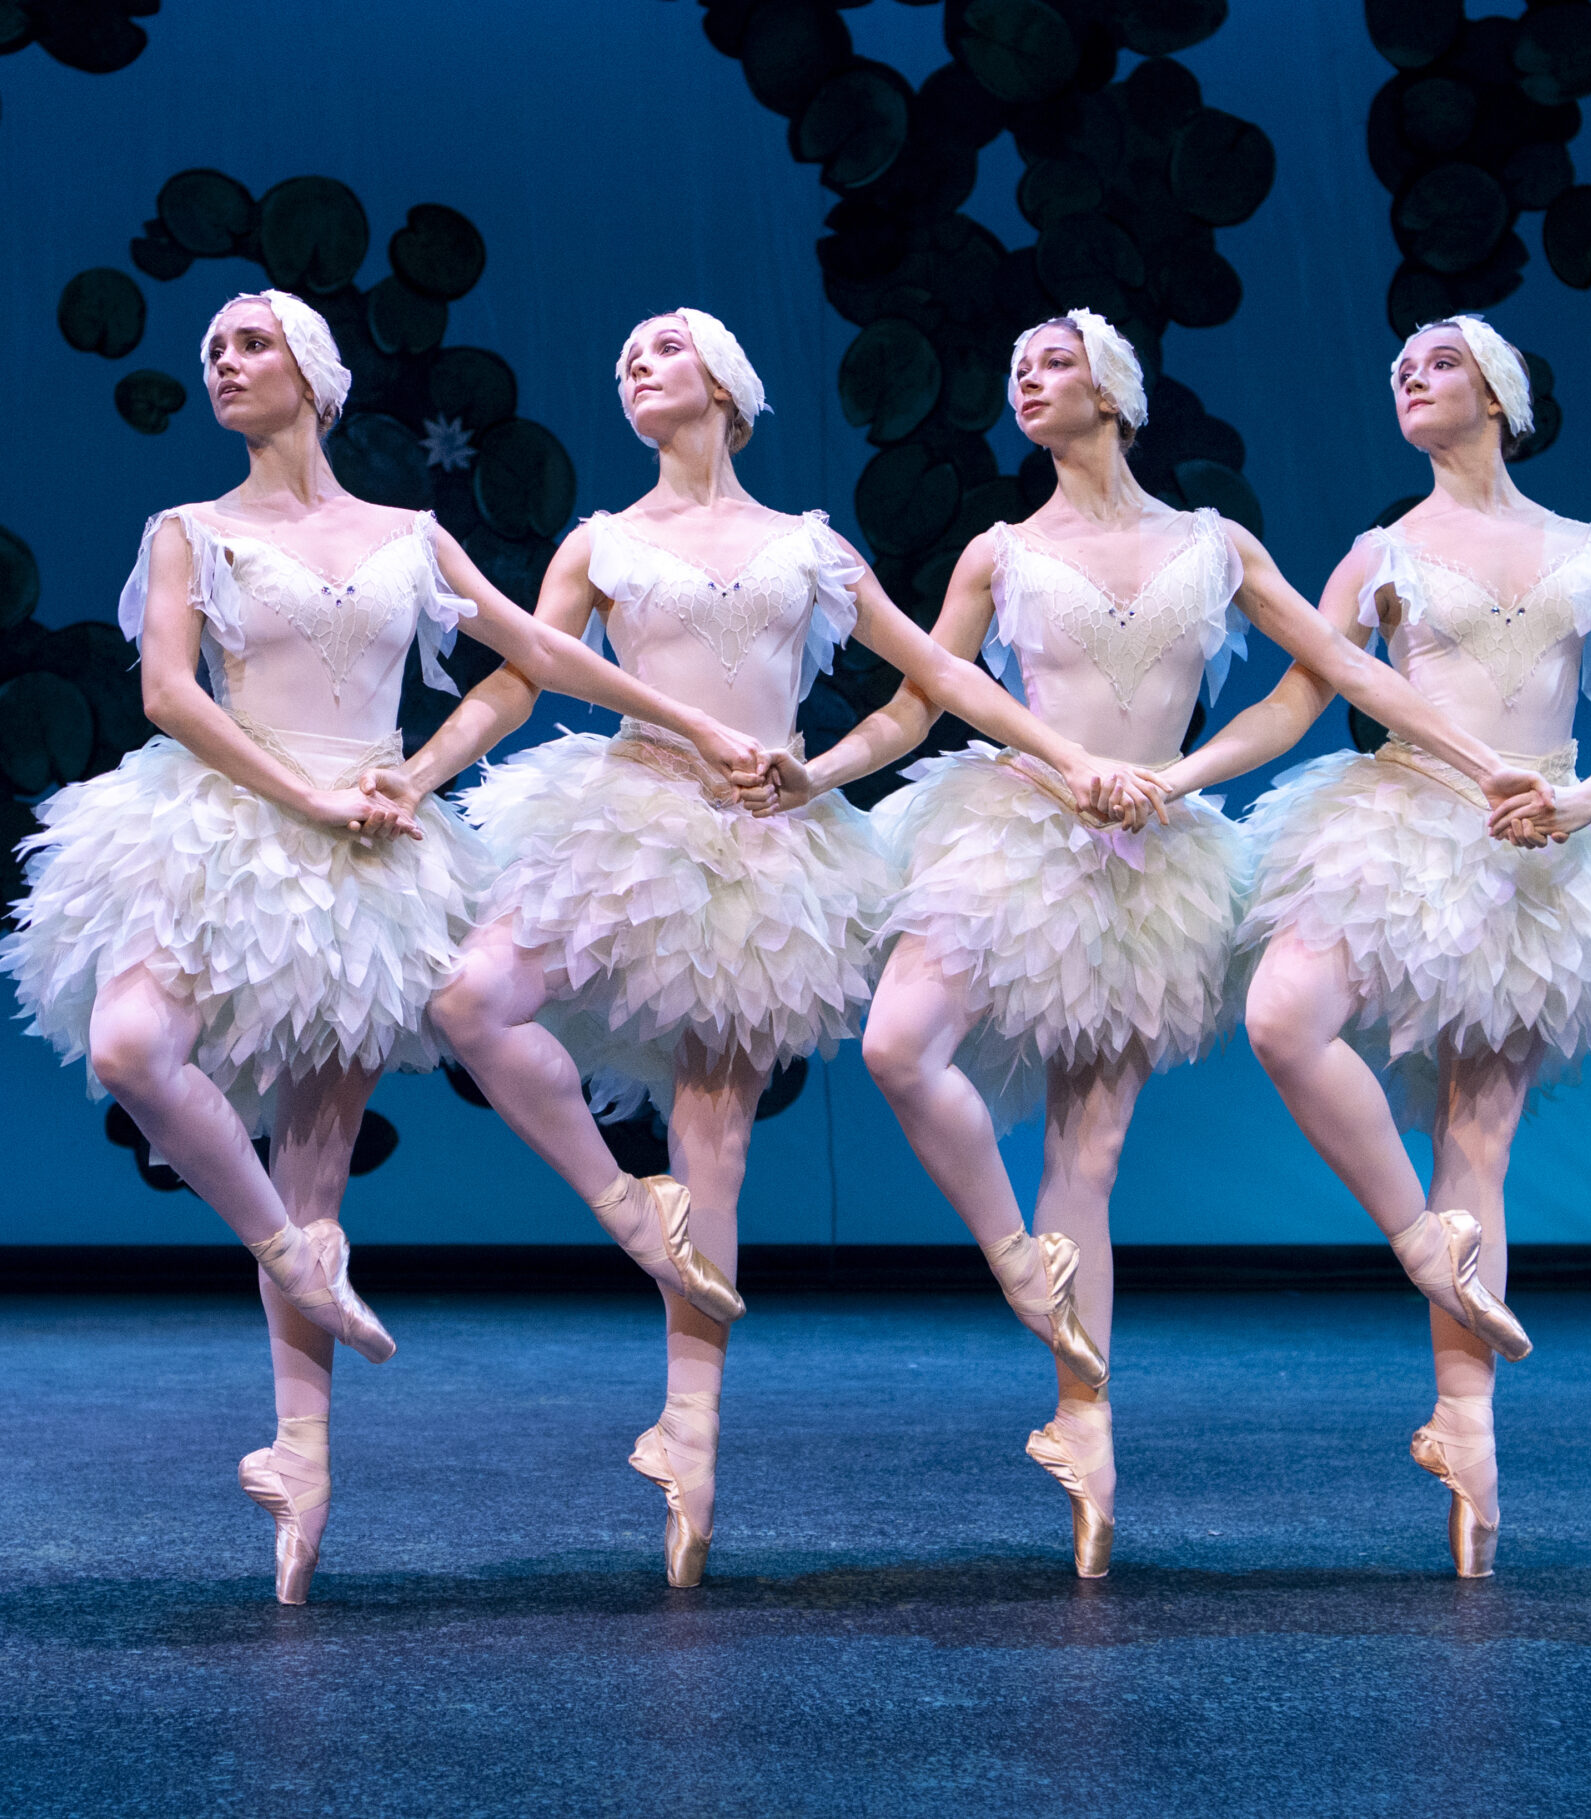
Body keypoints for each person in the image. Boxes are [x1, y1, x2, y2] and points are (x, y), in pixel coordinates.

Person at [0, 290, 763, 1604]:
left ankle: (303, 1453)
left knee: (316, 1155)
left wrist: (688, 725)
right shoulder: (187, 530)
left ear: (312, 371)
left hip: (369, 846)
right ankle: (294, 1259)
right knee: (134, 1044)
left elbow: (533, 655)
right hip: (229, 823)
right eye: (212, 353)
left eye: (248, 343)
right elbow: (169, 693)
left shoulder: (410, 534)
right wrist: (302, 797)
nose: (223, 364)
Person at [772, 309, 1544, 1578]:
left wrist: (1193, 778)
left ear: (1114, 388)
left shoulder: (1214, 544)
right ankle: (1021, 1261)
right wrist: (817, 773)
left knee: (1094, 1148)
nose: (1027, 377)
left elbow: (1334, 679)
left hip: (1153, 851)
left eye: (1053, 359)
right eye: (1014, 365)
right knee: (900, 1042)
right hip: (1019, 826)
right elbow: (922, 698)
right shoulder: (1000, 549)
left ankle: (1087, 1426)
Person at [412, 308, 1165, 1587]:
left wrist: (1040, 756)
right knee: (473, 997)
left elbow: (935, 677)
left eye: (657, 349)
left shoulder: (807, 545)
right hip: (629, 817)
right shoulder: (602, 539)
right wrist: (423, 765)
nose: (632, 365)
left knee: (719, 1140)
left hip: (764, 844)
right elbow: (527, 671)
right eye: (622, 357)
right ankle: (621, 1204)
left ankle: (689, 1445)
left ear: (723, 384)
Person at [1160, 314, 1591, 1577]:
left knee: (1482, 1133)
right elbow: (1308, 690)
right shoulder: (1380, 548)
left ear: (1502, 392)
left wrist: (1587, 795)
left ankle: (1468, 1438)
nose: (1409, 374)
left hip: (1540, 840)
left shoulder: (1586, 548)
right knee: (1282, 1011)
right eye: (1398, 364)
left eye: (1439, 360)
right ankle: (1419, 1238)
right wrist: (1179, 773)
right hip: (1404, 821)